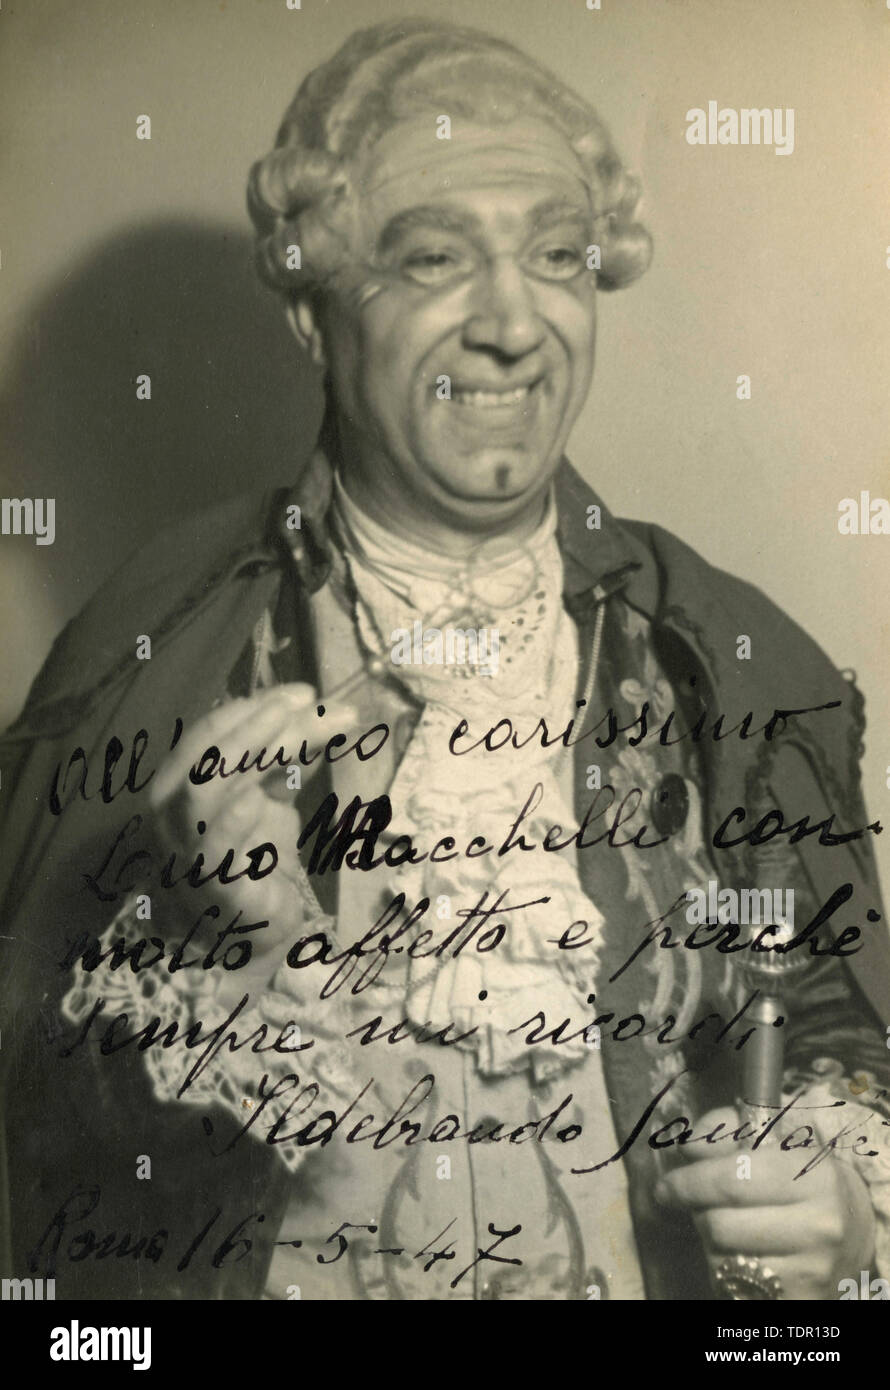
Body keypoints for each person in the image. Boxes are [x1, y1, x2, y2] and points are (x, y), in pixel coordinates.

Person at [1, 18, 888, 1302]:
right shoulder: (159, 643)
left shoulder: (712, 647)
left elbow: (829, 1015)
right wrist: (230, 947)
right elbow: (47, 1171)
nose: (513, 325)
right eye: (432, 257)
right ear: (311, 312)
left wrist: (841, 1203)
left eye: (555, 255)